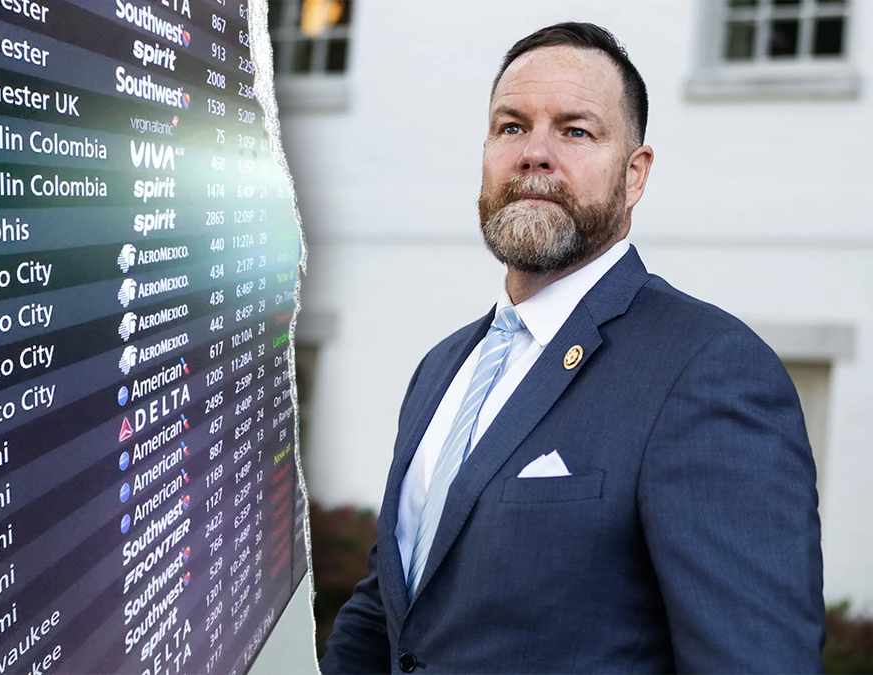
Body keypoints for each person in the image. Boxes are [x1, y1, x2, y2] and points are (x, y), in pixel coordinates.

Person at [318, 22, 824, 674]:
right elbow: (393, 608)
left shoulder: (710, 370)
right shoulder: (443, 368)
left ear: (635, 175)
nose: (534, 152)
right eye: (511, 126)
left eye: (575, 130)